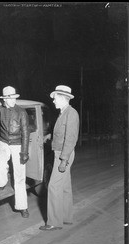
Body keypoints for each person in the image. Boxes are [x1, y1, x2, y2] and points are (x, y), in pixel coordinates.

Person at [39, 85, 79, 231]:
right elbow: (63, 133)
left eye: (55, 99)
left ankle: (54, 222)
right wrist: (50, 136)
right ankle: (66, 217)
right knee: (65, 187)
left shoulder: (71, 114)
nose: (54, 101)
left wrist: (63, 160)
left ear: (63, 98)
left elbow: (70, 138)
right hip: (62, 152)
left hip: (64, 154)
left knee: (54, 186)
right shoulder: (64, 112)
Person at [0, 86, 30, 218]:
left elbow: (25, 132)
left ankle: (22, 206)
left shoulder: (21, 112)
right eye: (11, 98)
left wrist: (24, 152)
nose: (13, 100)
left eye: (14, 98)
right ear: (5, 99)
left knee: (19, 177)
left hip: (18, 144)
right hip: (3, 142)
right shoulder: (0, 110)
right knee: (0, 164)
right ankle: (0, 183)